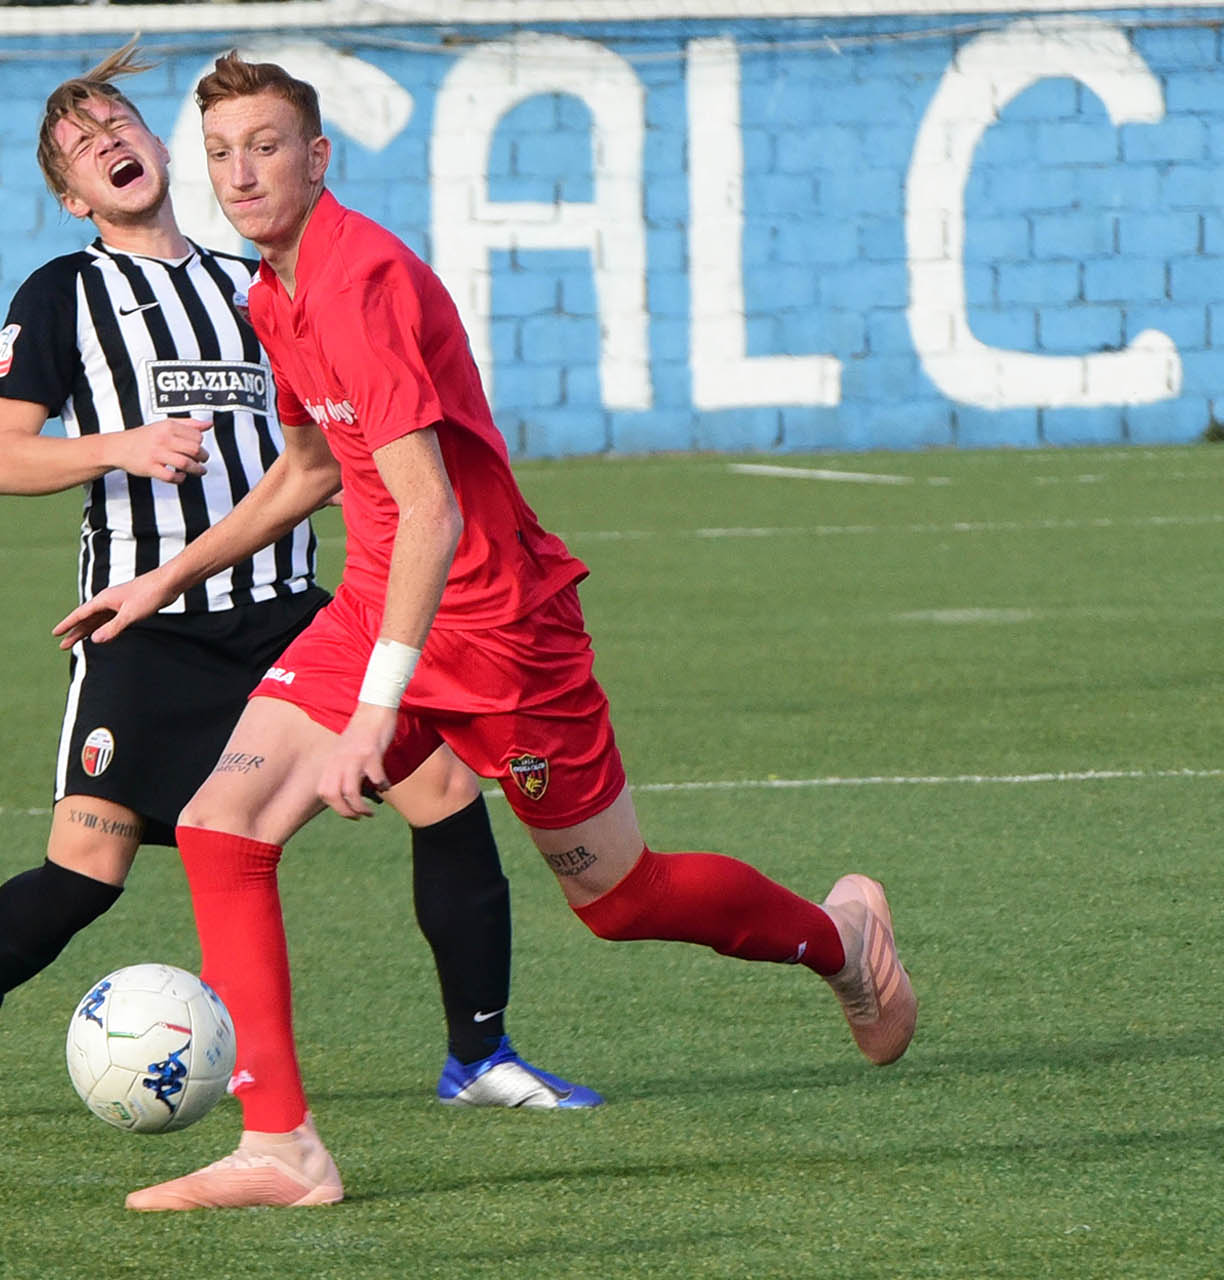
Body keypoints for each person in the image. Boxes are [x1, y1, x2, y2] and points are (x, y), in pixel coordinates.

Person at [53, 52, 919, 1212]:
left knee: (622, 898)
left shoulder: (359, 280)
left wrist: (374, 715)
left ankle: (840, 939)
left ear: (319, 156)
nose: (239, 172)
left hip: (505, 628)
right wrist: (167, 577)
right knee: (222, 822)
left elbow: (435, 510)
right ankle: (283, 1146)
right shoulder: (275, 290)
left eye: (265, 145)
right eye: (218, 152)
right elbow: (312, 470)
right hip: (387, 602)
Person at [0, 44, 599, 1128]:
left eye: (119, 125)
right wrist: (118, 445)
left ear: (160, 145)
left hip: (286, 615)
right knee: (88, 868)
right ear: (69, 192)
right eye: (82, 147)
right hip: (147, 624)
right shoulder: (64, 294)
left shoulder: (255, 284)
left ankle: (480, 1052)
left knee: (446, 795)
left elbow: (324, 452)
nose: (108, 146)